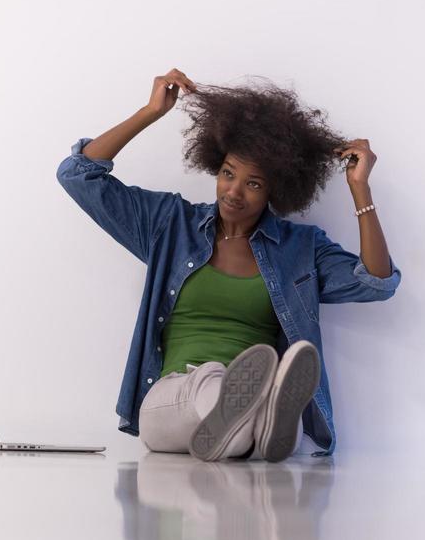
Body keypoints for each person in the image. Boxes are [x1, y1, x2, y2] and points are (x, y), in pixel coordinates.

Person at [56, 69, 402, 461]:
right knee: (212, 382)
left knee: (230, 430)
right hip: (171, 399)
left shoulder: (300, 249)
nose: (234, 192)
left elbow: (377, 283)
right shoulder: (170, 225)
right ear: (215, 169)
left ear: (277, 189)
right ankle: (264, 419)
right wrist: (150, 111)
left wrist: (360, 189)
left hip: (228, 426)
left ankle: (249, 426)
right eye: (227, 174)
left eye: (253, 183)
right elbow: (78, 176)